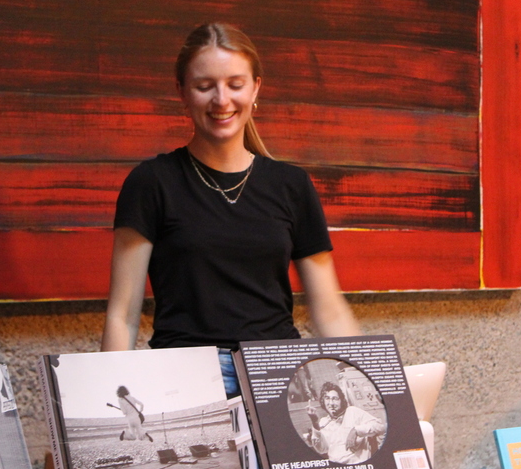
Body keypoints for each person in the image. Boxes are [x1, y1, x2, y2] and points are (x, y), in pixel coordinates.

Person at [102, 23, 360, 392]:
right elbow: (122, 315)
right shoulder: (151, 182)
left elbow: (329, 309)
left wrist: (368, 387)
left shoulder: (291, 185)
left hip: (279, 375)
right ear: (182, 92)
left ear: (256, 88)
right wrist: (107, 399)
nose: (221, 100)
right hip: (186, 378)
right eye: (205, 86)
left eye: (235, 85)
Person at [305, 382, 386, 464]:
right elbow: (321, 449)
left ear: (342, 400)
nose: (331, 403)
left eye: (335, 399)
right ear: (323, 401)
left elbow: (381, 427)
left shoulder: (352, 411)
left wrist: (356, 431)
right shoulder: (324, 421)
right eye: (327, 398)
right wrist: (315, 422)